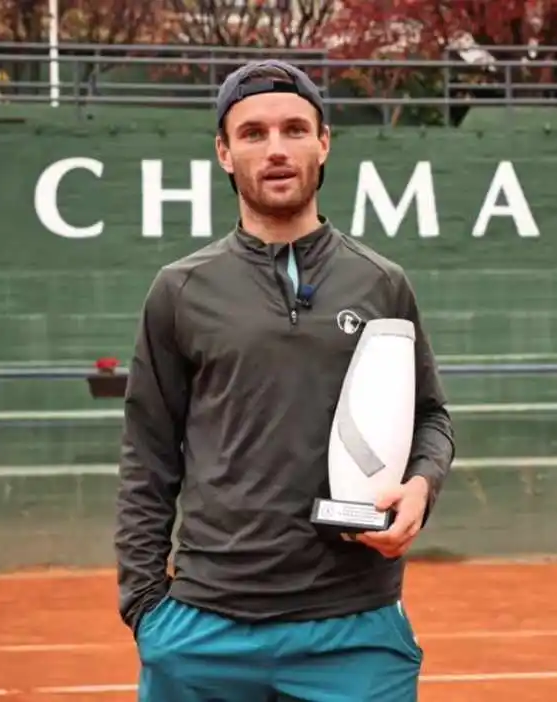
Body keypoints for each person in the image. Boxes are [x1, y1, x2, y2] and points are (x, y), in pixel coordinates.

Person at [114, 59, 456, 702]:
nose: (276, 148)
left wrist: (422, 486)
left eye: (295, 128)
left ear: (324, 142)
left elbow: (430, 416)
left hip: (355, 630)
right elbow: (148, 453)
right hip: (202, 630)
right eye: (253, 133)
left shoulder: (381, 283)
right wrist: (145, 608)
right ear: (224, 151)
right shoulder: (180, 290)